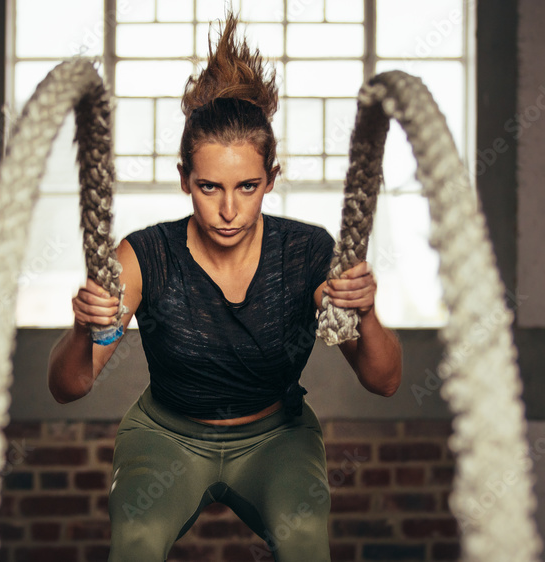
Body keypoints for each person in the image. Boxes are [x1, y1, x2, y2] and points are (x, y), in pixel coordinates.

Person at [48, 12, 402, 561]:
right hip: (168, 437)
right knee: (136, 543)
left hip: (275, 438)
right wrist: (82, 326)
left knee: (305, 539)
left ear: (271, 180)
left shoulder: (308, 253)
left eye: (248, 186)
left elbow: (384, 381)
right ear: (185, 178)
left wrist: (368, 312)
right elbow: (70, 386)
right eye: (209, 186)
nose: (229, 210)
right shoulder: (144, 255)